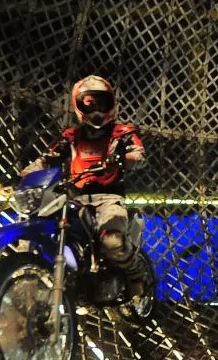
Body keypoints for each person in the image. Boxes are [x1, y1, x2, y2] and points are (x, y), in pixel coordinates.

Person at [21, 75, 149, 306]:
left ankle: (136, 275)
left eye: (102, 103)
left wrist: (120, 159)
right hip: (73, 197)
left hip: (108, 198)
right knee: (40, 234)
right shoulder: (70, 137)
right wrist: (24, 174)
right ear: (78, 105)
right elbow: (47, 159)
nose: (96, 109)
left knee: (112, 241)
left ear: (111, 104)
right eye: (89, 103)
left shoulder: (122, 133)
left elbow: (139, 156)